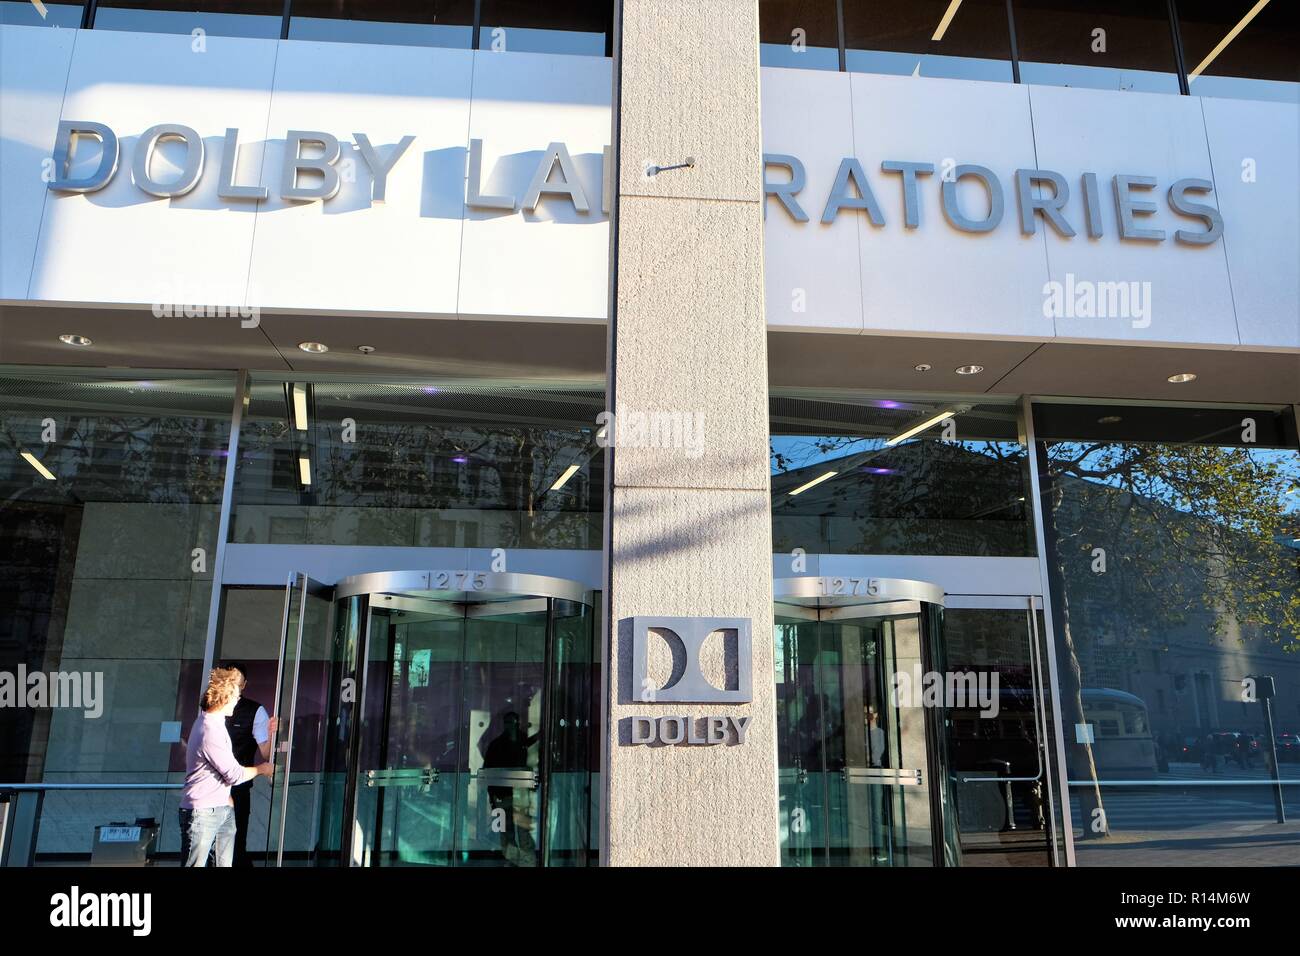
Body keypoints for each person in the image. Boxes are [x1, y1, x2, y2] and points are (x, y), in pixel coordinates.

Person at [179, 667, 273, 867]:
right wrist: (263, 769)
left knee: (225, 862)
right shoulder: (209, 729)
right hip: (203, 812)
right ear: (224, 697)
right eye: (235, 696)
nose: (238, 700)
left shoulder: (214, 723)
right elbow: (234, 774)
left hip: (222, 806)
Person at [219, 662, 277, 867]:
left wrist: (272, 733)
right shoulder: (211, 709)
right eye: (228, 680)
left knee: (235, 842)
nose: (232, 685)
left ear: (244, 685)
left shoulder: (255, 711)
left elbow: (266, 752)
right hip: (210, 788)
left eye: (237, 681)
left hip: (238, 788)